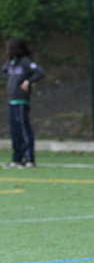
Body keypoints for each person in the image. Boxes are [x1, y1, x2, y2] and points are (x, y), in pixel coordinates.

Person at [1, 37, 45, 168]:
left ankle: (29, 159)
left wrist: (28, 81)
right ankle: (17, 158)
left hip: (21, 99)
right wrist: (11, 80)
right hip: (11, 100)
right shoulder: (10, 62)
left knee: (24, 129)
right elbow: (3, 72)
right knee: (14, 130)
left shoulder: (25, 61)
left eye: (9, 48)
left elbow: (40, 72)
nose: (7, 51)